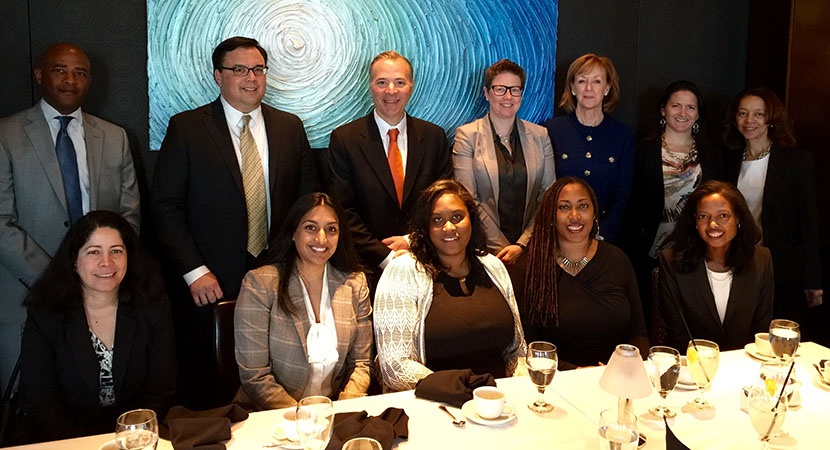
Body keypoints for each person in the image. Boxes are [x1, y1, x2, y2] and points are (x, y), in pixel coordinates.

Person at [150, 36, 318, 408]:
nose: (251, 78)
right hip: (211, 279)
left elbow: (308, 203)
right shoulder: (188, 128)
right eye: (239, 69)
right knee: (214, 385)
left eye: (258, 69)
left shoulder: (289, 127)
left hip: (278, 272)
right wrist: (194, 271)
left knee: (276, 375)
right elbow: (165, 206)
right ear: (218, 75)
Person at [0, 43, 140, 393]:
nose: (69, 80)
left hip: (104, 295)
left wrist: (102, 272)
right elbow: (1, 222)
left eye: (80, 73)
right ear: (39, 74)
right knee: (37, 402)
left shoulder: (114, 136)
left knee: (101, 397)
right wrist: (56, 280)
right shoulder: (6, 135)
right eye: (59, 69)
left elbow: (129, 216)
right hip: (31, 294)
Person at [19, 211, 175, 443]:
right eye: (93, 252)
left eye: (116, 251)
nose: (106, 262)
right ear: (74, 260)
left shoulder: (152, 305)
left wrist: (129, 439)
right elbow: (40, 401)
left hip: (137, 438)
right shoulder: (46, 312)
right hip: (65, 440)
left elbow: (161, 389)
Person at [374, 179, 526, 392]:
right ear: (425, 226)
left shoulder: (493, 266)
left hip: (500, 400)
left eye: (457, 217)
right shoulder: (403, 271)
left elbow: (517, 351)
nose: (448, 227)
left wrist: (521, 387)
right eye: (437, 220)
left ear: (471, 220)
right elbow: (395, 368)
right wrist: (464, 389)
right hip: (436, 401)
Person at [234, 193, 372, 410]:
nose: (322, 239)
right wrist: (304, 420)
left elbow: (361, 364)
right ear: (293, 232)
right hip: (271, 418)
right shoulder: (260, 284)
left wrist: (345, 408)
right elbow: (255, 376)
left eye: (331, 229)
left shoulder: (355, 283)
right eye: (311, 227)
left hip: (335, 413)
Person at [326, 51, 452, 288]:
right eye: (382, 82)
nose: (391, 91)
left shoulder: (434, 137)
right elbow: (343, 211)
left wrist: (412, 241)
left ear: (411, 86)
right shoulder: (345, 140)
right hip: (366, 270)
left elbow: (443, 202)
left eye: (400, 82)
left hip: (427, 261)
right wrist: (387, 256)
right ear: (370, 86)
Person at [620, 81, 723, 331]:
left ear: (698, 114)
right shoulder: (642, 149)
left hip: (696, 252)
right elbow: (629, 198)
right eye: (676, 105)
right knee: (648, 319)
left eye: (690, 107)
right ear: (663, 110)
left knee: (689, 322)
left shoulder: (712, 154)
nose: (682, 113)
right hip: (647, 250)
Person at [515, 177, 648, 368]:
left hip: (617, 378)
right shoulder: (528, 268)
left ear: (594, 212)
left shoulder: (617, 259)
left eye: (583, 206)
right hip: (555, 380)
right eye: (564, 207)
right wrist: (577, 372)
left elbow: (638, 334)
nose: (575, 215)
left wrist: (622, 368)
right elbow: (526, 347)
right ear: (549, 215)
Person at [723, 87, 822, 330]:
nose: (749, 120)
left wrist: (814, 279)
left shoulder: (796, 161)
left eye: (759, 114)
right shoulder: (726, 161)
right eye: (743, 113)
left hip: (783, 268)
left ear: (771, 119)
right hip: (736, 262)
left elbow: (810, 224)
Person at [452, 59, 555, 268]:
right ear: (486, 93)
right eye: (500, 89)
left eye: (515, 90)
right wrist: (501, 249)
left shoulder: (540, 135)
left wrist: (522, 244)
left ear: (521, 94)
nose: (508, 96)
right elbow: (468, 199)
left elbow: (548, 195)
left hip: (531, 251)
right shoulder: (467, 136)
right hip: (485, 253)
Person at [658, 181, 773, 351]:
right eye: (704, 216)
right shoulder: (671, 261)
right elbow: (677, 331)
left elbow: (761, 328)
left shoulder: (761, 259)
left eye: (723, 216)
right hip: (693, 366)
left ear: (738, 218)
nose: (713, 224)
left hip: (745, 365)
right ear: (695, 222)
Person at [544, 53, 634, 243]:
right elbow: (546, 189)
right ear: (572, 88)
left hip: (605, 240)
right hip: (559, 236)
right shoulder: (552, 130)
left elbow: (622, 195)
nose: (588, 88)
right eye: (582, 81)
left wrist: (602, 235)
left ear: (607, 88)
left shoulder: (622, 135)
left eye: (597, 81)